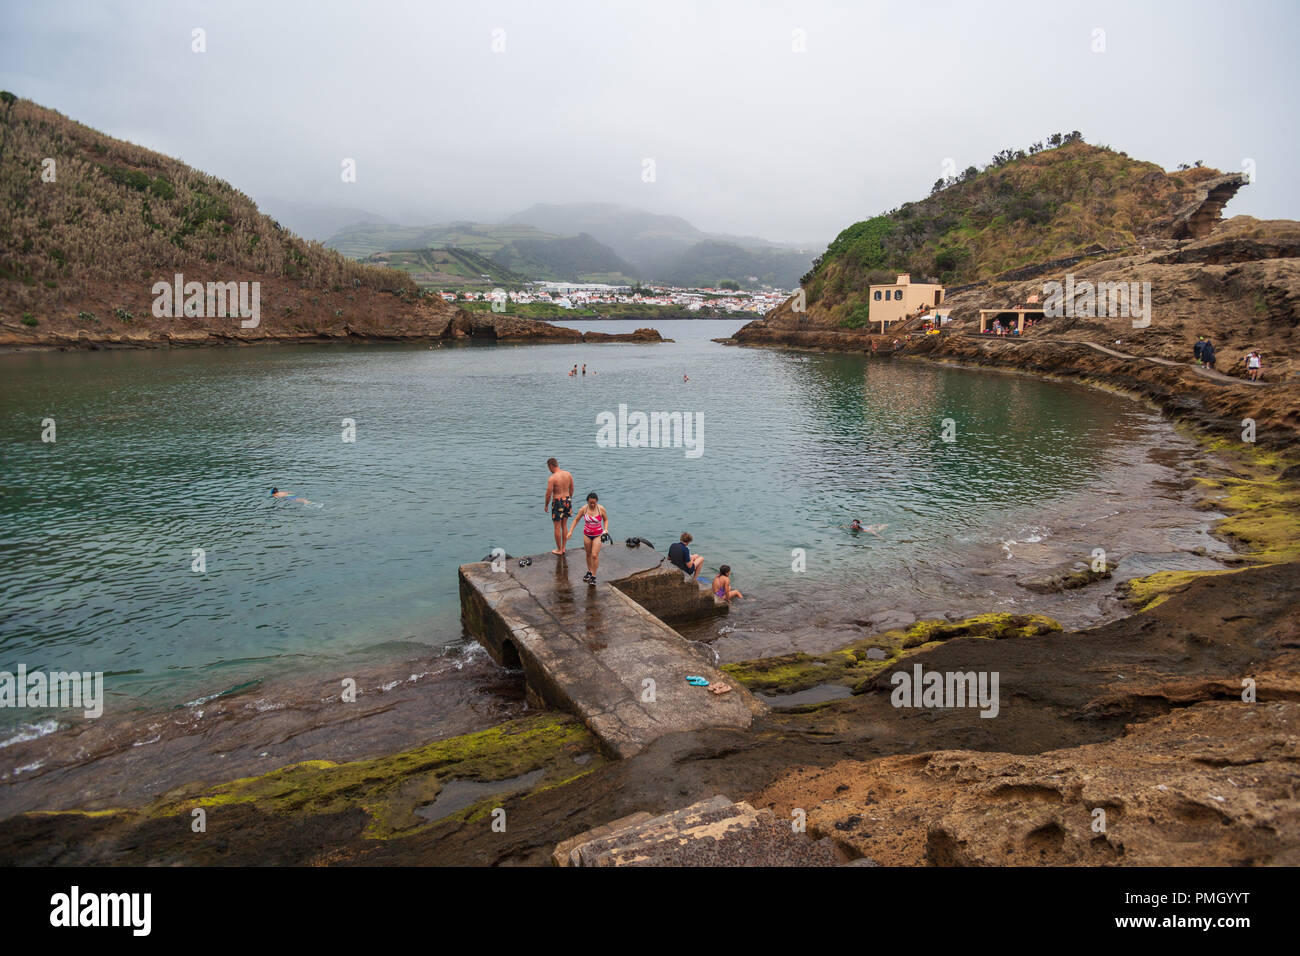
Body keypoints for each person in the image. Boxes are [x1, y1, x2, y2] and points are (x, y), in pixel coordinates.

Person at [566, 492, 609, 585]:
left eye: (594, 503)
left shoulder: (601, 509)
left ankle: (593, 576)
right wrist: (570, 531)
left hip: (598, 535)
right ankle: (589, 571)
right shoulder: (583, 509)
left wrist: (605, 529)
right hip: (587, 534)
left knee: (594, 555)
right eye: (590, 503)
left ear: (597, 502)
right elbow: (576, 520)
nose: (592, 505)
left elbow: (606, 519)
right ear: (587, 502)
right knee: (588, 554)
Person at [545, 458, 574, 555]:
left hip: (558, 501)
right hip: (567, 500)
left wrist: (546, 505)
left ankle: (559, 549)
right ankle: (564, 547)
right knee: (564, 525)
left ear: (550, 466)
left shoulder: (552, 478)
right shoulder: (568, 474)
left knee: (557, 527)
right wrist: (568, 499)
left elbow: (548, 494)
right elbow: (572, 489)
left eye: (548, 467)